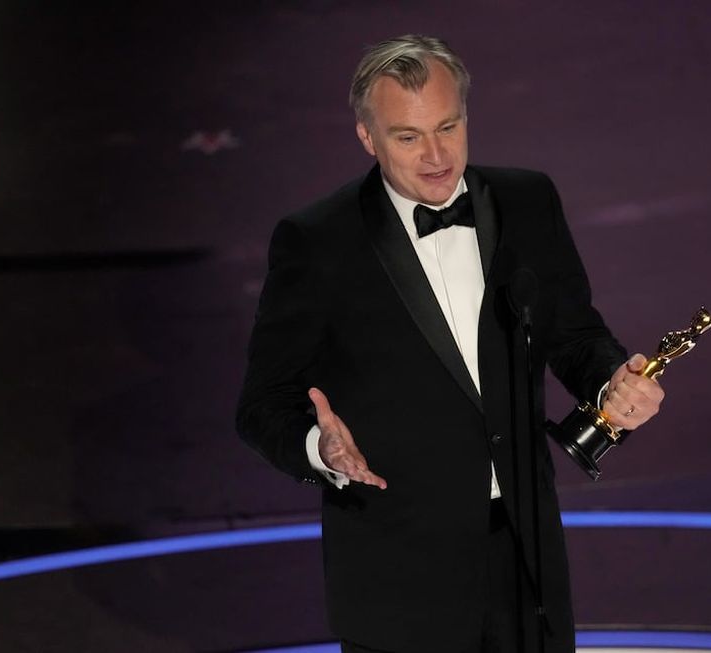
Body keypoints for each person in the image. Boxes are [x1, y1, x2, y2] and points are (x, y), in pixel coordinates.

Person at [236, 34, 665, 653]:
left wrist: (610, 384)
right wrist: (319, 447)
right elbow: (262, 404)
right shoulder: (317, 241)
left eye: (448, 126)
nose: (436, 155)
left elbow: (574, 333)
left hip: (526, 564)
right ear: (367, 137)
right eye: (407, 137)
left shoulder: (527, 200)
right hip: (399, 576)